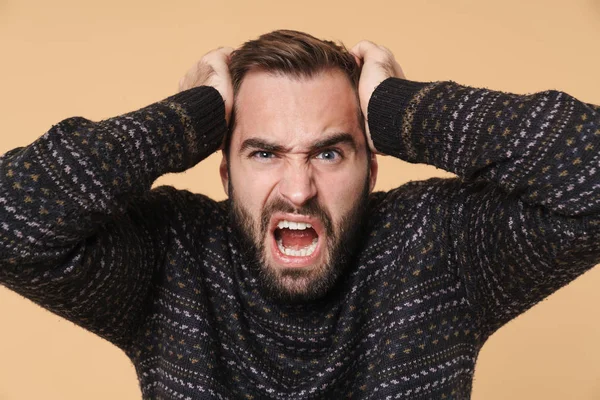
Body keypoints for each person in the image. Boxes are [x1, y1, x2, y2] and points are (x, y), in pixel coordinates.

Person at [0, 29, 598, 399]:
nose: (299, 189)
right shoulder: (172, 258)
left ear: (372, 167)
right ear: (225, 170)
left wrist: (396, 107)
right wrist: (192, 115)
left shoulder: (434, 247)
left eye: (330, 152)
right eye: (264, 152)